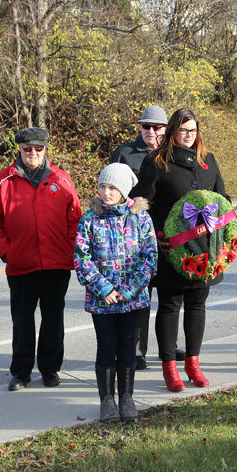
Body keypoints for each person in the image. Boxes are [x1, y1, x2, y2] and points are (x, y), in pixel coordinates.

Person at [131, 108, 228, 392]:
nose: (188, 136)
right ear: (172, 131)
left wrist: (221, 229)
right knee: (170, 306)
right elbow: (141, 204)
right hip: (171, 250)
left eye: (193, 130)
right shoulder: (156, 162)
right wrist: (156, 234)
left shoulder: (207, 160)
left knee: (197, 305)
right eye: (183, 130)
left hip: (204, 250)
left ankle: (194, 364)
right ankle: (170, 367)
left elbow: (223, 198)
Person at [0, 127, 81, 392]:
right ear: (19, 149)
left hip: (56, 263)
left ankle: (50, 369)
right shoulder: (3, 180)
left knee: (53, 318)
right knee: (22, 320)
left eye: (38, 149)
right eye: (27, 149)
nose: (33, 153)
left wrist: (70, 247)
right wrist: (7, 251)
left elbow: (75, 218)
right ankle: (20, 372)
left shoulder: (61, 179)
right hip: (21, 264)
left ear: (45, 149)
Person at [74, 163, 156, 422]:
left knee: (128, 347)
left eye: (112, 188)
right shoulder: (90, 218)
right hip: (103, 301)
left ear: (124, 191)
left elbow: (150, 257)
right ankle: (107, 399)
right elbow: (81, 257)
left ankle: (127, 397)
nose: (106, 192)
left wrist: (130, 290)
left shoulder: (139, 217)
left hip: (131, 301)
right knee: (107, 347)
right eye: (102, 186)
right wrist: (103, 288)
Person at [109, 105, 170, 370]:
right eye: (147, 126)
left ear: (166, 129)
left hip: (167, 234)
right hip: (134, 236)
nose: (152, 131)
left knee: (169, 296)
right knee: (140, 293)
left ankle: (168, 346)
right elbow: (109, 191)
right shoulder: (124, 153)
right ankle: (137, 351)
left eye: (157, 127)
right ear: (140, 128)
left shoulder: (172, 154)